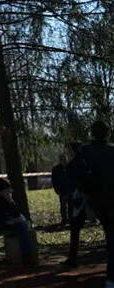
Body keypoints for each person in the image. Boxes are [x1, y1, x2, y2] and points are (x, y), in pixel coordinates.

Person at [70, 120, 114, 287]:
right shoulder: (111, 150)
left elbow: (72, 170)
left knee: (77, 225)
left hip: (93, 200)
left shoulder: (85, 152)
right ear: (107, 133)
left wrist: (84, 189)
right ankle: (110, 278)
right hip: (110, 201)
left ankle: (72, 257)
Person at [52, 153, 71, 226]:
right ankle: (64, 218)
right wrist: (57, 189)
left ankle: (70, 218)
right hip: (63, 190)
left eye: (65, 159)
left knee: (71, 205)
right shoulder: (56, 169)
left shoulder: (70, 167)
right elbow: (54, 180)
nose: (64, 161)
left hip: (70, 189)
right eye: (62, 159)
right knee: (63, 205)